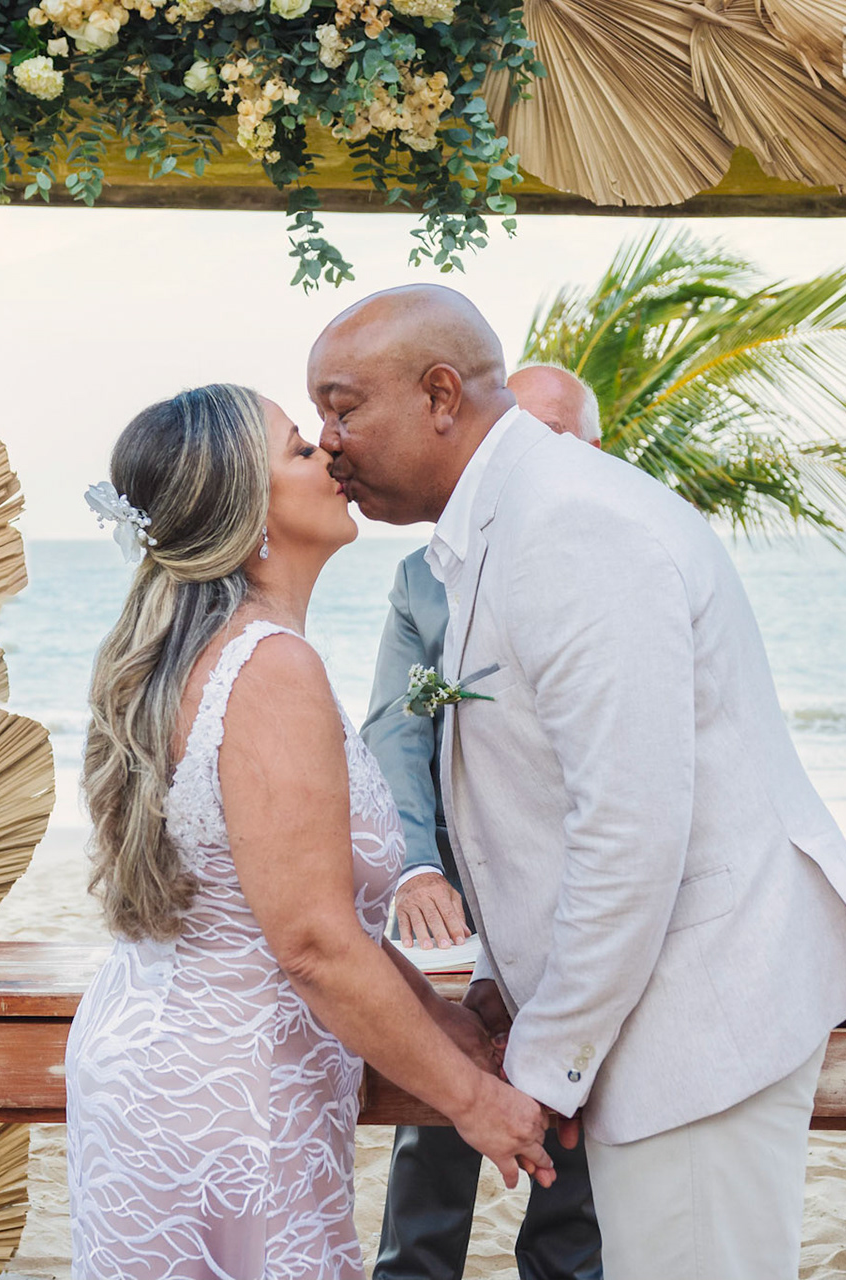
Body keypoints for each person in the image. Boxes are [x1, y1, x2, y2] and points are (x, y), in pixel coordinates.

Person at [309, 288, 846, 1280]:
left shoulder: (568, 526)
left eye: (342, 407)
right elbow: (539, 797)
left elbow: (630, 832)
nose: (329, 443)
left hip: (701, 1011)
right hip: (657, 1002)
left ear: (441, 394)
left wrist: (540, 1069)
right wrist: (509, 984)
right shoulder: (509, 522)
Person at [63, 384, 554, 1280]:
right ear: (246, 508)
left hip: (174, 1058)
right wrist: (473, 1102)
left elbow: (310, 913)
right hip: (230, 1095)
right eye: (297, 448)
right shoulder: (270, 667)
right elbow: (314, 945)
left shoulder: (208, 654)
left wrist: (440, 1015)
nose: (328, 454)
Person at [363, 364, 605, 1280]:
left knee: (572, 1138)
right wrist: (418, 867)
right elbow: (394, 726)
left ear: (589, 452)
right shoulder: (422, 577)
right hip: (458, 898)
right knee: (436, 1126)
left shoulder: (609, 566)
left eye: (551, 438)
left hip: (579, 897)